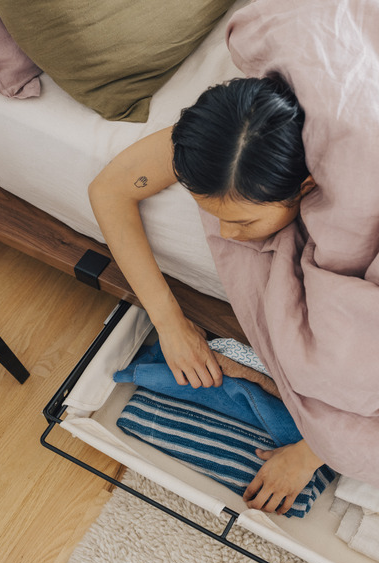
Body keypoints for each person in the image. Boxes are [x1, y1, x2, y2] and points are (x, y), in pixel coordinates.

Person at [89, 75, 322, 516]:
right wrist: (169, 320)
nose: (228, 235)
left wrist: (315, 451)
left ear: (305, 188)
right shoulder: (222, 137)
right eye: (211, 213)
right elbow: (109, 189)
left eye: (244, 223)